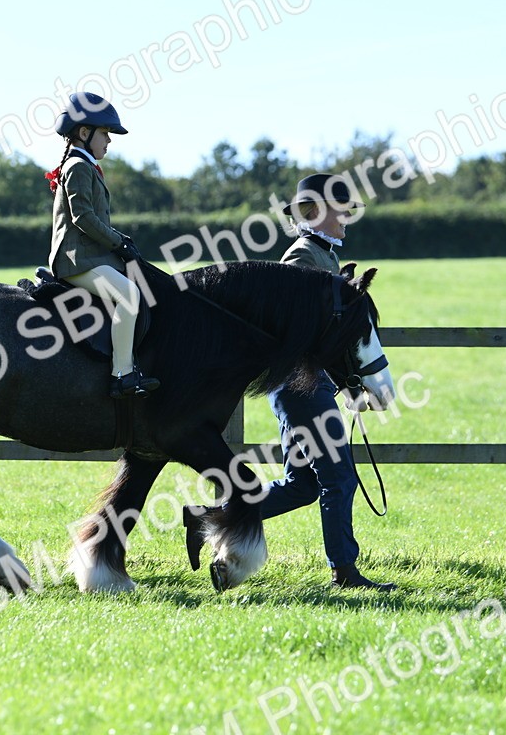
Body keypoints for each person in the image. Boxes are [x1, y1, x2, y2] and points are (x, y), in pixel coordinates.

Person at [184, 173, 395, 591]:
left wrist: (351, 383)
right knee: (339, 478)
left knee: (302, 486)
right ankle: (345, 572)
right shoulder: (302, 259)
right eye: (341, 212)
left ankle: (208, 518)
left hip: (304, 386)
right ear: (315, 213)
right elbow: (297, 335)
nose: (347, 220)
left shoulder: (322, 255)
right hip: (302, 388)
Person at [46, 92, 160, 399]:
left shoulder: (84, 165)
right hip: (76, 260)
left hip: (90, 256)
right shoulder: (77, 167)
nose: (109, 141)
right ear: (84, 133)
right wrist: (118, 242)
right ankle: (122, 374)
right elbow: (83, 217)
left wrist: (121, 242)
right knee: (129, 296)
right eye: (105, 134)